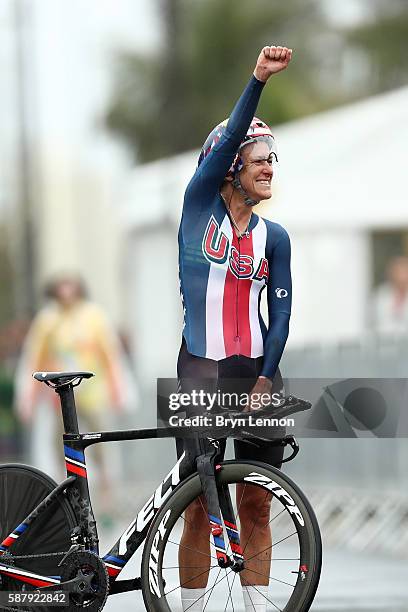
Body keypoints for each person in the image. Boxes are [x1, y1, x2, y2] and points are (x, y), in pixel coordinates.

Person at [177, 46, 292, 612]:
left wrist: (268, 378)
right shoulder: (199, 207)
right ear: (229, 168)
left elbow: (282, 314)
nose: (270, 166)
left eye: (275, 158)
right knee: (199, 505)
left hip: (256, 374)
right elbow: (229, 137)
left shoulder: (276, 236)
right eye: (259, 157)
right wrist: (257, 81)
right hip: (199, 367)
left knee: (257, 503)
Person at [14, 274, 130, 512]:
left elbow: (110, 354)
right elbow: (36, 358)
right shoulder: (48, 321)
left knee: (101, 445)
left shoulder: (93, 317)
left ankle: (107, 498)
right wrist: (29, 398)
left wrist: (118, 388)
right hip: (61, 396)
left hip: (92, 394)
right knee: (60, 444)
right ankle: (64, 494)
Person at [371, 256, 408, 336]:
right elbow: (374, 323)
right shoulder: (381, 295)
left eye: (404, 272)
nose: (402, 276)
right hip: (384, 342)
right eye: (398, 272)